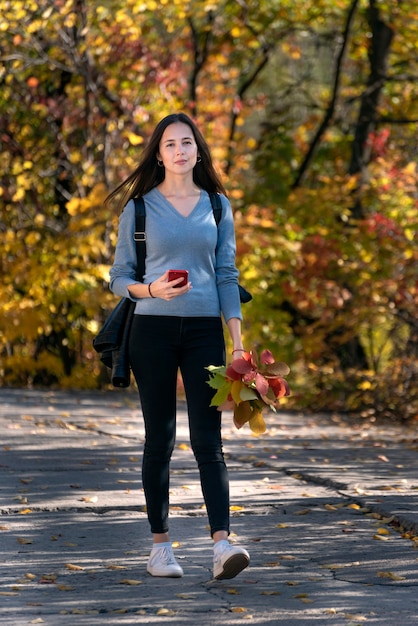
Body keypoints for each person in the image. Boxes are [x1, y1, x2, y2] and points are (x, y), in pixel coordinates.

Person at [107, 112, 250, 580]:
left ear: (198, 150)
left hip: (206, 331)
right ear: (159, 152)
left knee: (209, 441)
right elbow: (119, 278)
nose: (179, 151)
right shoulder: (140, 209)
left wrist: (236, 345)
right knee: (160, 439)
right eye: (170, 144)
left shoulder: (217, 205)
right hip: (152, 331)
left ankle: (222, 545)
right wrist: (152, 291)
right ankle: (160, 547)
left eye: (187, 142)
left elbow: (228, 275)